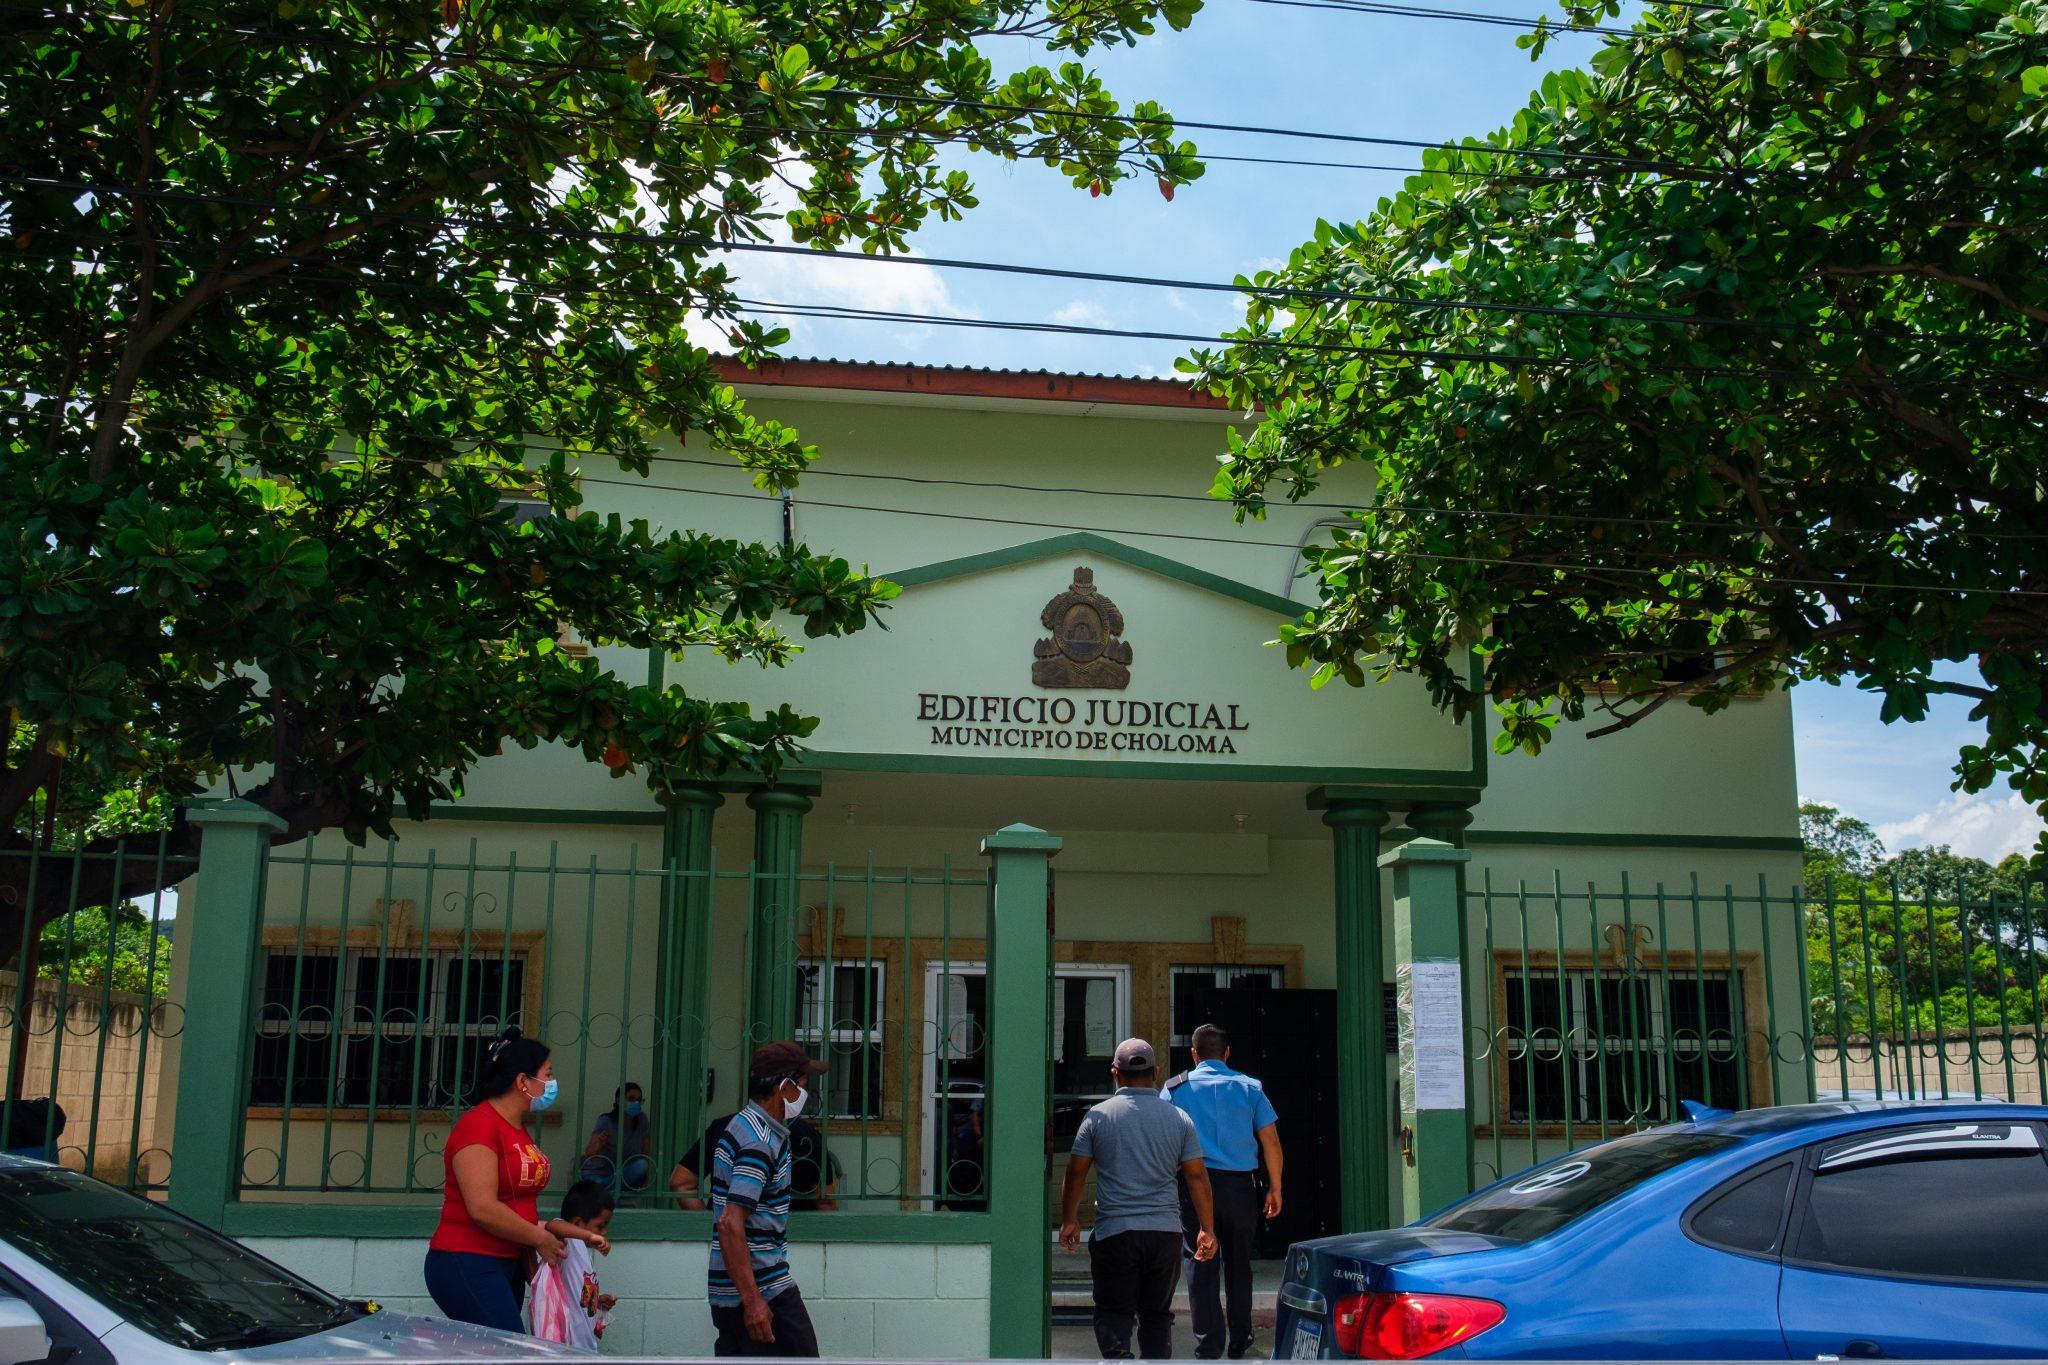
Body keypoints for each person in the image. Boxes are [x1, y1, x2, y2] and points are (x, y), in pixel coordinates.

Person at [1059, 1038, 1218, 1361]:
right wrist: (1206, 1228)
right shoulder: (1179, 1119)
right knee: (1156, 1316)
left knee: (1114, 1312)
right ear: (1156, 1072)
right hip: (1165, 1235)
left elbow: (1076, 1173)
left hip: (1115, 1233)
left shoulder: (1097, 1117)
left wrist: (1069, 1219)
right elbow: (1197, 1176)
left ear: (1114, 1073)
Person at [424, 1028, 565, 1333]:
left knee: (491, 1351)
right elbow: (483, 1208)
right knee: (507, 1350)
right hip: (468, 1260)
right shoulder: (478, 1125)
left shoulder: (515, 1128)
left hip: (507, 1262)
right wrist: (539, 1238)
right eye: (548, 1074)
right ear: (523, 1082)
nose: (552, 1083)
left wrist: (548, 1233)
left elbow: (516, 1203)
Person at [1166, 1024, 1283, 1360]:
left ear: (1193, 1053)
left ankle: (1209, 1341)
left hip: (1195, 1185)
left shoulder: (1176, 1089)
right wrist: (1275, 1186)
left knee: (1200, 1261)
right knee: (1238, 1263)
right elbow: (1270, 1141)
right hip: (1239, 1188)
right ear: (1227, 1053)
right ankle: (1240, 1335)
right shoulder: (1250, 1088)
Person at [708, 1041, 829, 1357]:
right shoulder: (759, 1142)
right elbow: (730, 1223)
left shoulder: (746, 1126)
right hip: (765, 1291)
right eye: (802, 1084)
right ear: (784, 1086)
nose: (805, 1093)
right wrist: (754, 1302)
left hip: (736, 1292)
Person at [672, 1110, 841, 1212]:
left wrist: (710, 1229)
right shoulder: (807, 1135)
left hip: (729, 1242)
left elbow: (681, 1183)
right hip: (791, 1243)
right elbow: (825, 1201)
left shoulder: (724, 1128)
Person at [530, 1180, 619, 1349]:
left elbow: (576, 1296)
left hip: (584, 1345)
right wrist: (588, 1236)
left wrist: (597, 1301)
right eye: (600, 1226)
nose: (604, 1232)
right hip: (567, 1344)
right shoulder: (569, 1241)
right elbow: (553, 1225)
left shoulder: (584, 1252)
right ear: (577, 1223)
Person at [582, 1082, 653, 1195]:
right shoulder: (606, 1121)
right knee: (612, 1192)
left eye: (639, 1100)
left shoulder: (642, 1120)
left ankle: (606, 1191)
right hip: (599, 1173)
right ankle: (610, 1191)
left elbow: (646, 1155)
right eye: (631, 1099)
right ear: (618, 1100)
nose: (635, 1103)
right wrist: (600, 1143)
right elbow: (589, 1153)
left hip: (625, 1175)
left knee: (642, 1165)